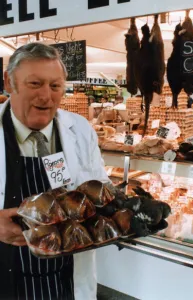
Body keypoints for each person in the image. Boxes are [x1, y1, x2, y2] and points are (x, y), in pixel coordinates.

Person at [0, 42, 109, 299]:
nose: (46, 96)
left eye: (55, 86)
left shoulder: (80, 130)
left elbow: (99, 187)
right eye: (35, 84)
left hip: (64, 281)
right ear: (8, 83)